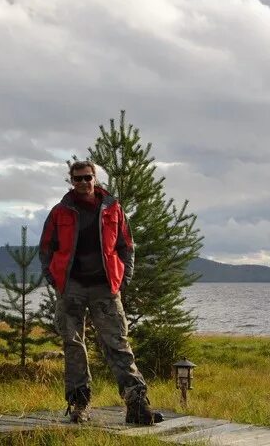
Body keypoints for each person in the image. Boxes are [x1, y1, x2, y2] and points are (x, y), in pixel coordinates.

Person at [39, 161, 163, 425]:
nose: (83, 183)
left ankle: (137, 405)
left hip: (105, 287)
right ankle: (79, 404)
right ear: (71, 181)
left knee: (117, 343)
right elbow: (46, 247)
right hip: (71, 287)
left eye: (87, 177)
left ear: (95, 178)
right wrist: (54, 278)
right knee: (73, 345)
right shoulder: (60, 212)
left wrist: (123, 278)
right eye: (77, 179)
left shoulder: (113, 208)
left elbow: (126, 245)